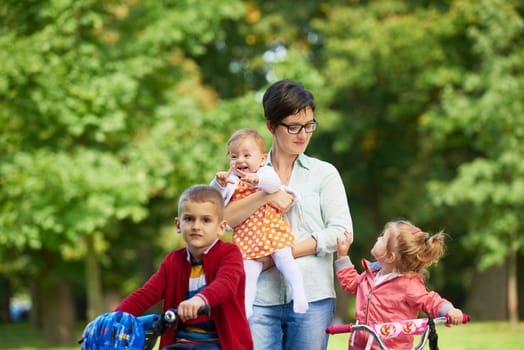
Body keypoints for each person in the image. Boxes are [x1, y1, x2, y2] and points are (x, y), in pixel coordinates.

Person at [223, 79, 353, 350]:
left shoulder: (324, 173)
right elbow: (224, 220)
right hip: (258, 298)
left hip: (312, 297)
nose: (303, 134)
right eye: (293, 127)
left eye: (309, 126)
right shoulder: (245, 170)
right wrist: (266, 195)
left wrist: (278, 255)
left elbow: (341, 232)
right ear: (271, 125)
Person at [114, 185, 253, 350]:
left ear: (221, 227)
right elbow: (146, 295)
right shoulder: (173, 261)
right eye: (189, 219)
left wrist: (200, 299)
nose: (196, 226)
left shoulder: (229, 254)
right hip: (182, 344)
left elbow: (226, 283)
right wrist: (111, 320)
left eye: (206, 220)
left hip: (220, 344)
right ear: (178, 224)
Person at [211, 128, 308, 318]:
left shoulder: (266, 172)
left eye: (247, 155)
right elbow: (215, 200)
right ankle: (245, 308)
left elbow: (273, 185)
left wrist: (258, 180)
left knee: (285, 260)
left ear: (262, 159)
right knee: (247, 274)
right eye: (234, 156)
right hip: (247, 236)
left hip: (271, 229)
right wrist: (219, 184)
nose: (240, 161)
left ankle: (299, 293)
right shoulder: (231, 180)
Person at [335, 220, 464, 350]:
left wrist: (449, 310)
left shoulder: (408, 285)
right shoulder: (372, 274)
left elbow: (430, 300)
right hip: (358, 345)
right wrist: (342, 257)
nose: (378, 238)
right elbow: (351, 283)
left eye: (383, 238)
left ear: (390, 257)